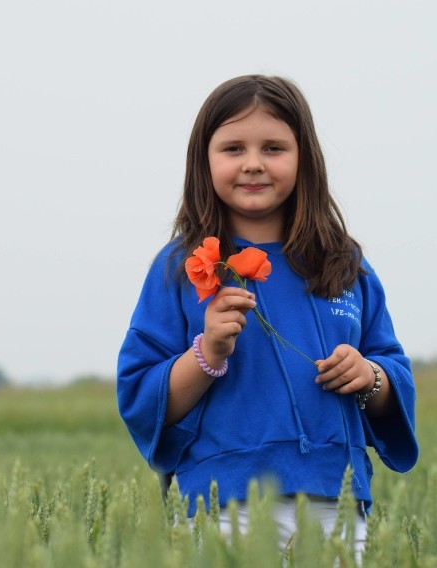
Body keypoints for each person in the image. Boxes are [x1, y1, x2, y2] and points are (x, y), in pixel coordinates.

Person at [117, 75, 418, 552]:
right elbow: (140, 396)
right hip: (223, 503)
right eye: (233, 148)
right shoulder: (182, 267)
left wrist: (371, 375)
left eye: (274, 148)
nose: (253, 164)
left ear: (305, 160)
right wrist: (208, 351)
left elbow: (392, 371)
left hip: (335, 501)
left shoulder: (345, 266)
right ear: (204, 161)